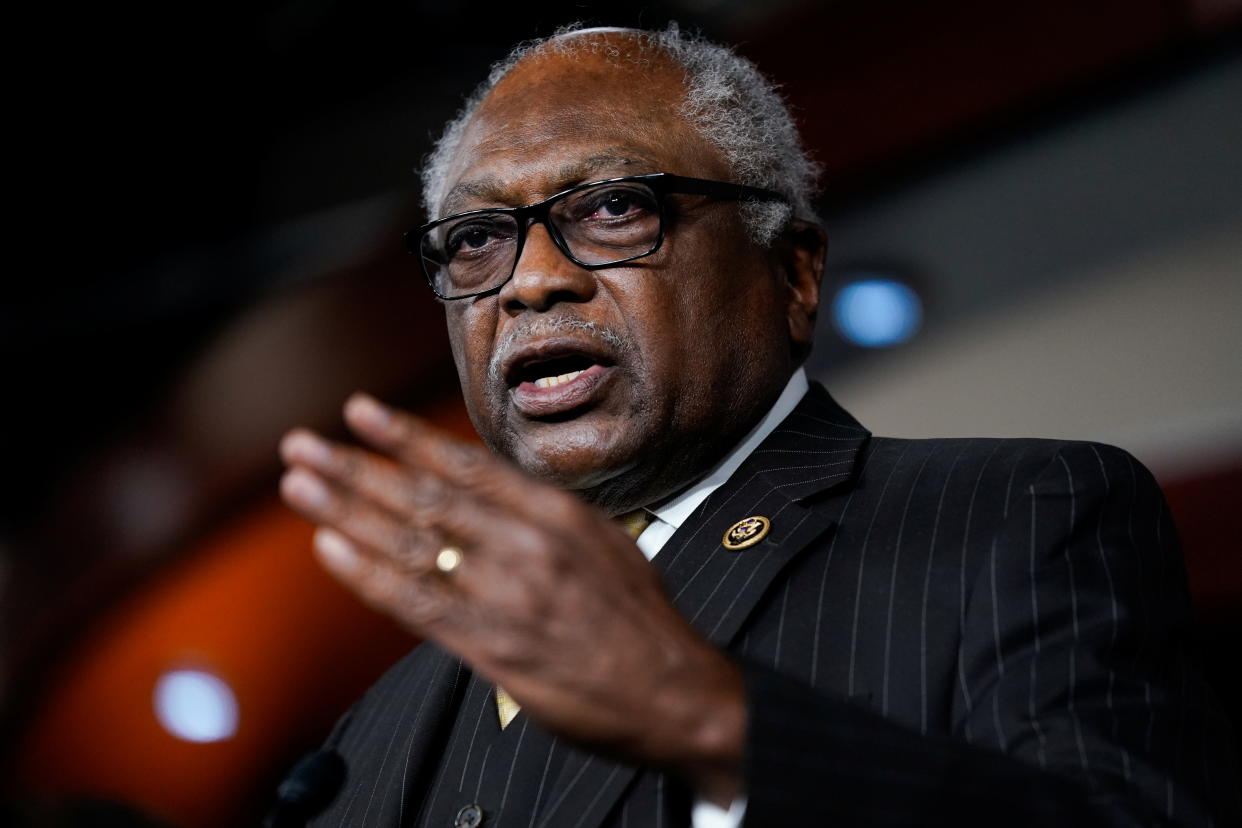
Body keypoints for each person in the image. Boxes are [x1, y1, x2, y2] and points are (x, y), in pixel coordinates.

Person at [276, 24, 1238, 828]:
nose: (530, 281)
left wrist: (712, 722)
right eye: (478, 239)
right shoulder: (366, 740)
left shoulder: (1017, 518)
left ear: (795, 273)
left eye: (615, 208)